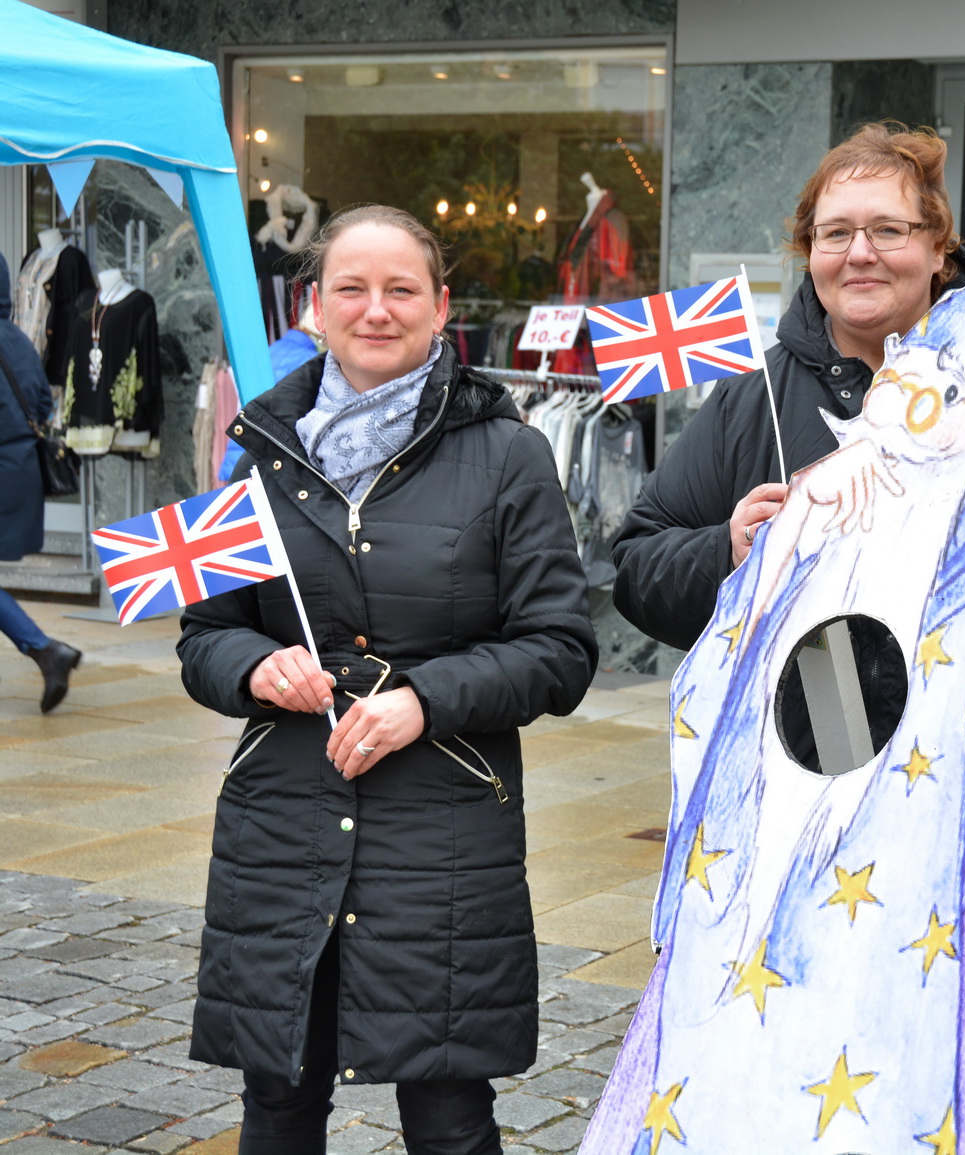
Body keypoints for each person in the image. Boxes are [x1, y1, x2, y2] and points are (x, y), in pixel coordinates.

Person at [610, 122, 965, 1154]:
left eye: (889, 229)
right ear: (806, 250)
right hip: (800, 839)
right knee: (804, 1094)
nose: (860, 253)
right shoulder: (755, 397)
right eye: (835, 231)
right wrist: (729, 547)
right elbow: (636, 566)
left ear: (939, 248)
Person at [177, 205, 597, 1154]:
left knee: (448, 1118)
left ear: (440, 306)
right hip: (283, 825)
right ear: (314, 307)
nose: (376, 310)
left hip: (442, 833)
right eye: (351, 289)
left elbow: (561, 648)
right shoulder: (256, 453)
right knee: (278, 1105)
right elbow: (204, 636)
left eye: (401, 289)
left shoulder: (507, 454)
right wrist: (255, 665)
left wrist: (424, 700)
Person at [0, 251, 81, 713]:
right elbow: (41, 405)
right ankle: (45, 651)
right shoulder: (16, 338)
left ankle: (45, 649)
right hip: (19, 473)